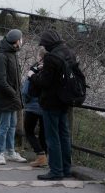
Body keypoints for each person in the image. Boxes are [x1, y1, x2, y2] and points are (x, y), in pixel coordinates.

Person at [29, 30, 76, 180]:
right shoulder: (69, 53)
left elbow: (45, 82)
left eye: (44, 45)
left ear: (49, 43)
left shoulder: (51, 57)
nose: (45, 47)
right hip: (65, 101)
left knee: (52, 137)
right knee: (64, 135)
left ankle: (56, 171)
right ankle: (66, 169)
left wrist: (32, 76)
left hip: (51, 102)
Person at [0, 29, 28, 165]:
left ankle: (10, 151)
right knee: (4, 125)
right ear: (16, 41)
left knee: (12, 125)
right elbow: (0, 80)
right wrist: (13, 93)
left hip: (13, 98)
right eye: (20, 39)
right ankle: (0, 153)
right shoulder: (1, 56)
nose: (21, 41)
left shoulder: (13, 54)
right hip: (5, 98)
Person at [23, 48, 48, 168]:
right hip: (46, 105)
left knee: (28, 130)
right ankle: (45, 158)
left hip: (33, 104)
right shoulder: (50, 69)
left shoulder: (34, 70)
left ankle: (41, 155)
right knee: (43, 132)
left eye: (38, 56)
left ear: (40, 57)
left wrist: (25, 100)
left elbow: (27, 89)